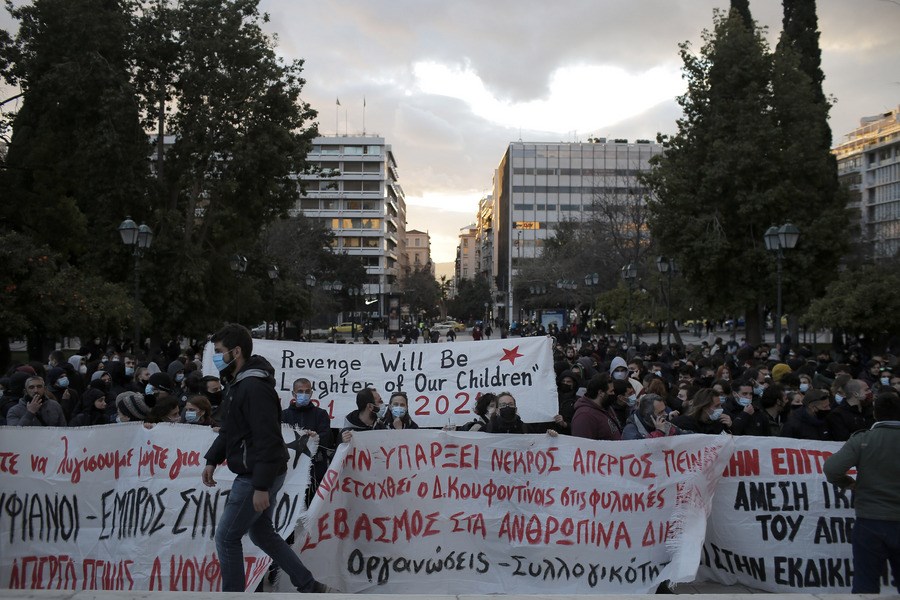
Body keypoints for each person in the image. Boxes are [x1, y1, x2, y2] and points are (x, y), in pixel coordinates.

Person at [201, 324, 329, 593]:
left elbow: (267, 438)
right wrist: (213, 458)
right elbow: (231, 430)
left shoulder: (254, 388)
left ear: (236, 352)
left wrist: (261, 486)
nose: (216, 357)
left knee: (226, 537)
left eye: (219, 352)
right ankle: (308, 585)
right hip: (259, 472)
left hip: (256, 474)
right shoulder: (238, 384)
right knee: (261, 533)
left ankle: (234, 596)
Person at [823, 391, 900, 594]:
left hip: (870, 521)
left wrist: (850, 484)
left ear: (874, 413)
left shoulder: (863, 439)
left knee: (866, 585)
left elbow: (832, 469)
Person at [282, 378, 333, 485]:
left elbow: (327, 437)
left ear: (311, 393)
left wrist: (316, 437)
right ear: (293, 394)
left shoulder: (321, 414)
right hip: (290, 469)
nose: (304, 394)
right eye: (300, 391)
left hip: (315, 469)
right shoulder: (284, 415)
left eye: (307, 391)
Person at [571, 376, 623, 441]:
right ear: (601, 393)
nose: (613, 394)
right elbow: (582, 446)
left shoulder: (606, 407)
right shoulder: (584, 416)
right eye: (611, 391)